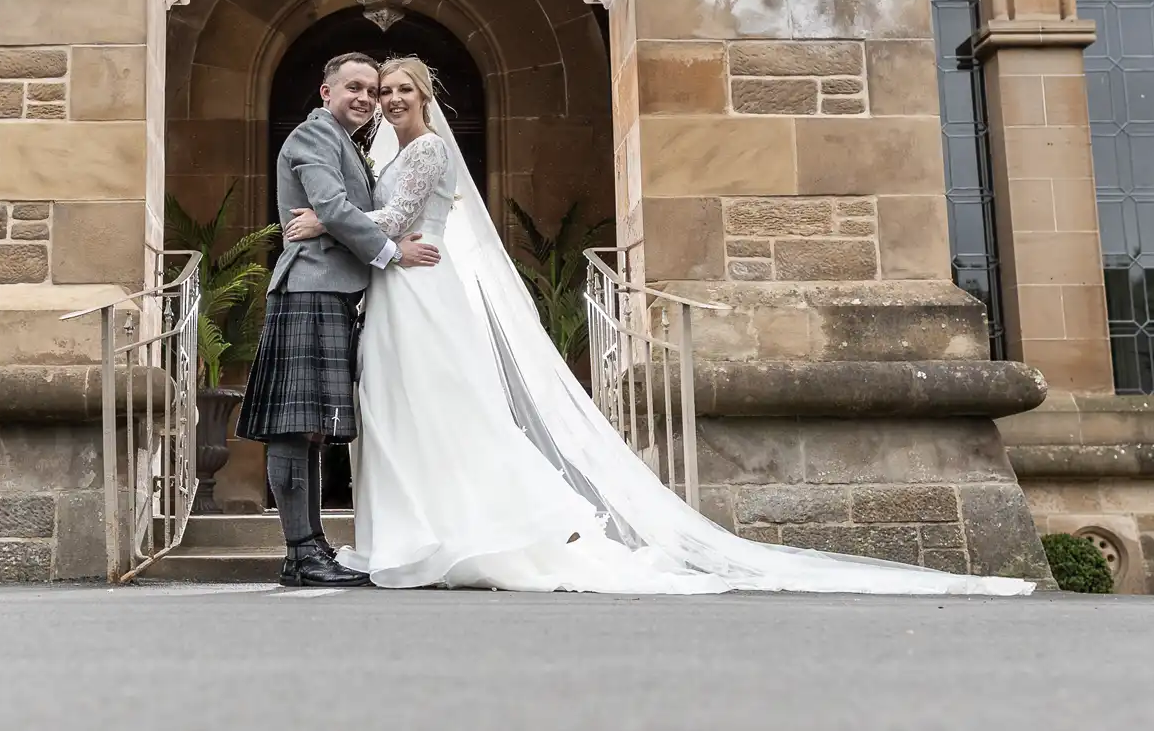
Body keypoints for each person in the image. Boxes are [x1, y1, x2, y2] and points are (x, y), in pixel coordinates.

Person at [281, 56, 1036, 596]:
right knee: (401, 414)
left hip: (419, 285)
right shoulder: (375, 144)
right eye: (381, 89)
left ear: (425, 95)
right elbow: (378, 216)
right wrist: (350, 226)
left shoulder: (427, 148)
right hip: (397, 288)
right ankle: (408, 531)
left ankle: (452, 530)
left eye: (401, 88)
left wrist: (320, 223)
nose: (389, 98)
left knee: (436, 411)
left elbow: (388, 218)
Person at [235, 51, 440, 587]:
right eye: (354, 87)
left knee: (312, 428)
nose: (366, 99)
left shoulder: (346, 141)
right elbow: (330, 203)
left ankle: (309, 549)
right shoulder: (314, 136)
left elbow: (337, 212)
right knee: (295, 426)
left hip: (329, 291)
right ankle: (302, 552)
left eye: (372, 91)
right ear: (326, 92)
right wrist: (393, 252)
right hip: (310, 288)